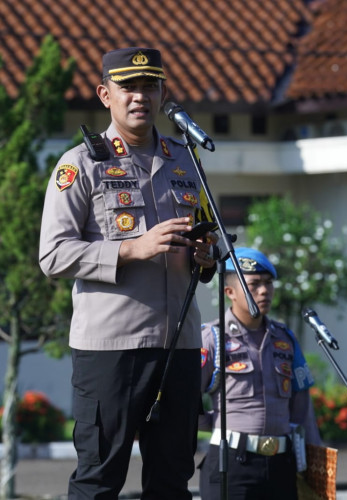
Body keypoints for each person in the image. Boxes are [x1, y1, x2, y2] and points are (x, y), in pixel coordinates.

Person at [39, 47, 217, 499]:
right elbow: (53, 254)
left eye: (150, 86)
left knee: (173, 481)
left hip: (179, 344)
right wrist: (131, 249)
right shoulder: (80, 164)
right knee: (100, 480)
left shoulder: (186, 161)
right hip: (111, 350)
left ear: (164, 93)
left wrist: (205, 256)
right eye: (128, 87)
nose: (140, 96)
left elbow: (206, 243)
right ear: (105, 95)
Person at [198, 247, 322, 500]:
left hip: (281, 464)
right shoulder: (212, 337)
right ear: (229, 292)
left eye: (268, 283)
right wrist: (215, 422)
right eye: (254, 284)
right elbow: (183, 399)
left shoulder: (285, 338)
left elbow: (302, 405)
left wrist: (315, 460)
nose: (264, 291)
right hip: (231, 462)